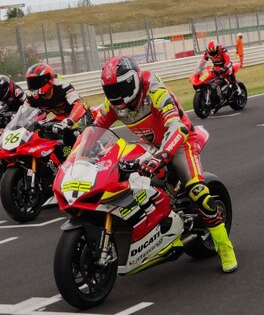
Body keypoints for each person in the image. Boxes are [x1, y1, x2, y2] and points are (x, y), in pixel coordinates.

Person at [97, 56, 238, 273]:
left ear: (132, 82)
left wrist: (161, 155)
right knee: (121, 175)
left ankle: (225, 248)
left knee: (198, 191)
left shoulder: (156, 92)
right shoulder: (115, 103)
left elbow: (176, 127)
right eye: (110, 90)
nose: (116, 96)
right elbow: (95, 127)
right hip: (149, 143)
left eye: (119, 88)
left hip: (180, 141)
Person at [25, 62, 91, 151]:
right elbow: (25, 112)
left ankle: (93, 154)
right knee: (45, 132)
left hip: (81, 115)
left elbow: (79, 105)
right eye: (31, 82)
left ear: (47, 79)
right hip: (61, 118)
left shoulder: (62, 86)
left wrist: (68, 121)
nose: (33, 86)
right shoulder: (31, 96)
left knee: (77, 134)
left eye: (36, 82)